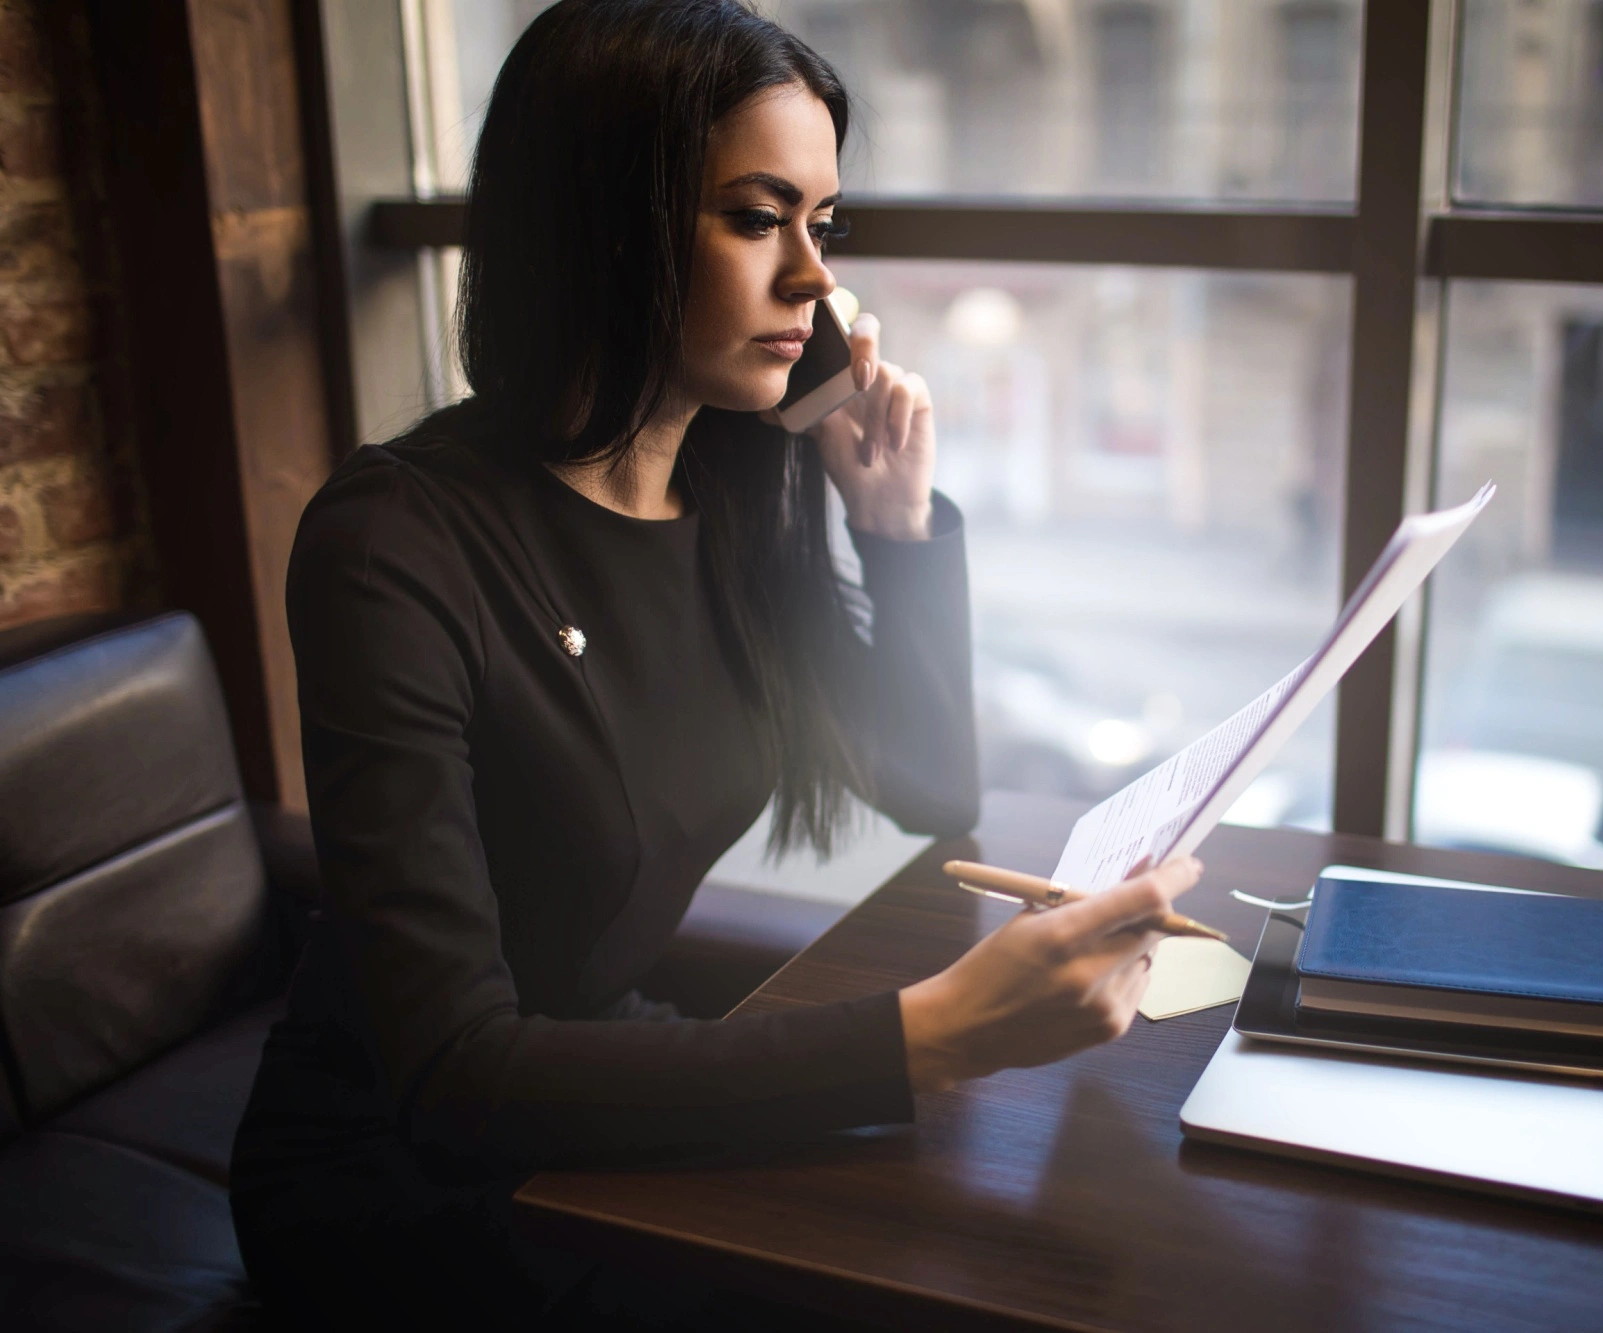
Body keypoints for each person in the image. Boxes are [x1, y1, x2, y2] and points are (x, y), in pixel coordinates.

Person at [228, 2, 1202, 1327]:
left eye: (823, 225)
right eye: (756, 219)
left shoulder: (734, 492)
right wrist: (936, 1033)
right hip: (395, 1179)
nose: (813, 281)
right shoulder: (395, 541)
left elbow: (928, 789)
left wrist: (895, 530)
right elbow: (456, 1072)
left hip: (607, 1081)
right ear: (602, 224)